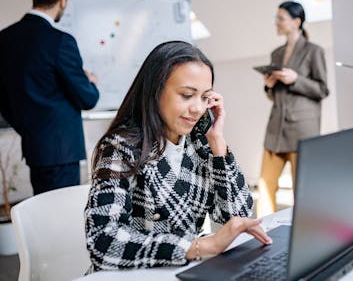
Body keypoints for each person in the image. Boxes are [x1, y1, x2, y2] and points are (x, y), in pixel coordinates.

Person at [84, 41, 271, 271]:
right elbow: (103, 242)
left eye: (205, 97)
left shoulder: (200, 142)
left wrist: (217, 142)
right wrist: (200, 246)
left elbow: (237, 215)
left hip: (182, 271)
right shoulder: (120, 147)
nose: (198, 109)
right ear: (155, 91)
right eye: (187, 95)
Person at [0, 0, 99, 194]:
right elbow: (88, 99)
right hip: (62, 152)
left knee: (42, 216)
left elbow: (3, 98)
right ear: (63, 0)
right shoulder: (60, 41)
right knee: (60, 220)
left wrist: (28, 128)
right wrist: (89, 81)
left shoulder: (4, 40)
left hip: (35, 148)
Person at [257, 1, 329, 218]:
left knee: (303, 192)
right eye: (276, 18)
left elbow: (322, 89)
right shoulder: (276, 54)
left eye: (281, 18)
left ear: (296, 22)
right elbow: (274, 95)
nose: (276, 22)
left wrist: (296, 79)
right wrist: (268, 86)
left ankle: (305, 234)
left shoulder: (314, 51)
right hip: (275, 129)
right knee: (265, 187)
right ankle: (264, 235)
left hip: (302, 131)